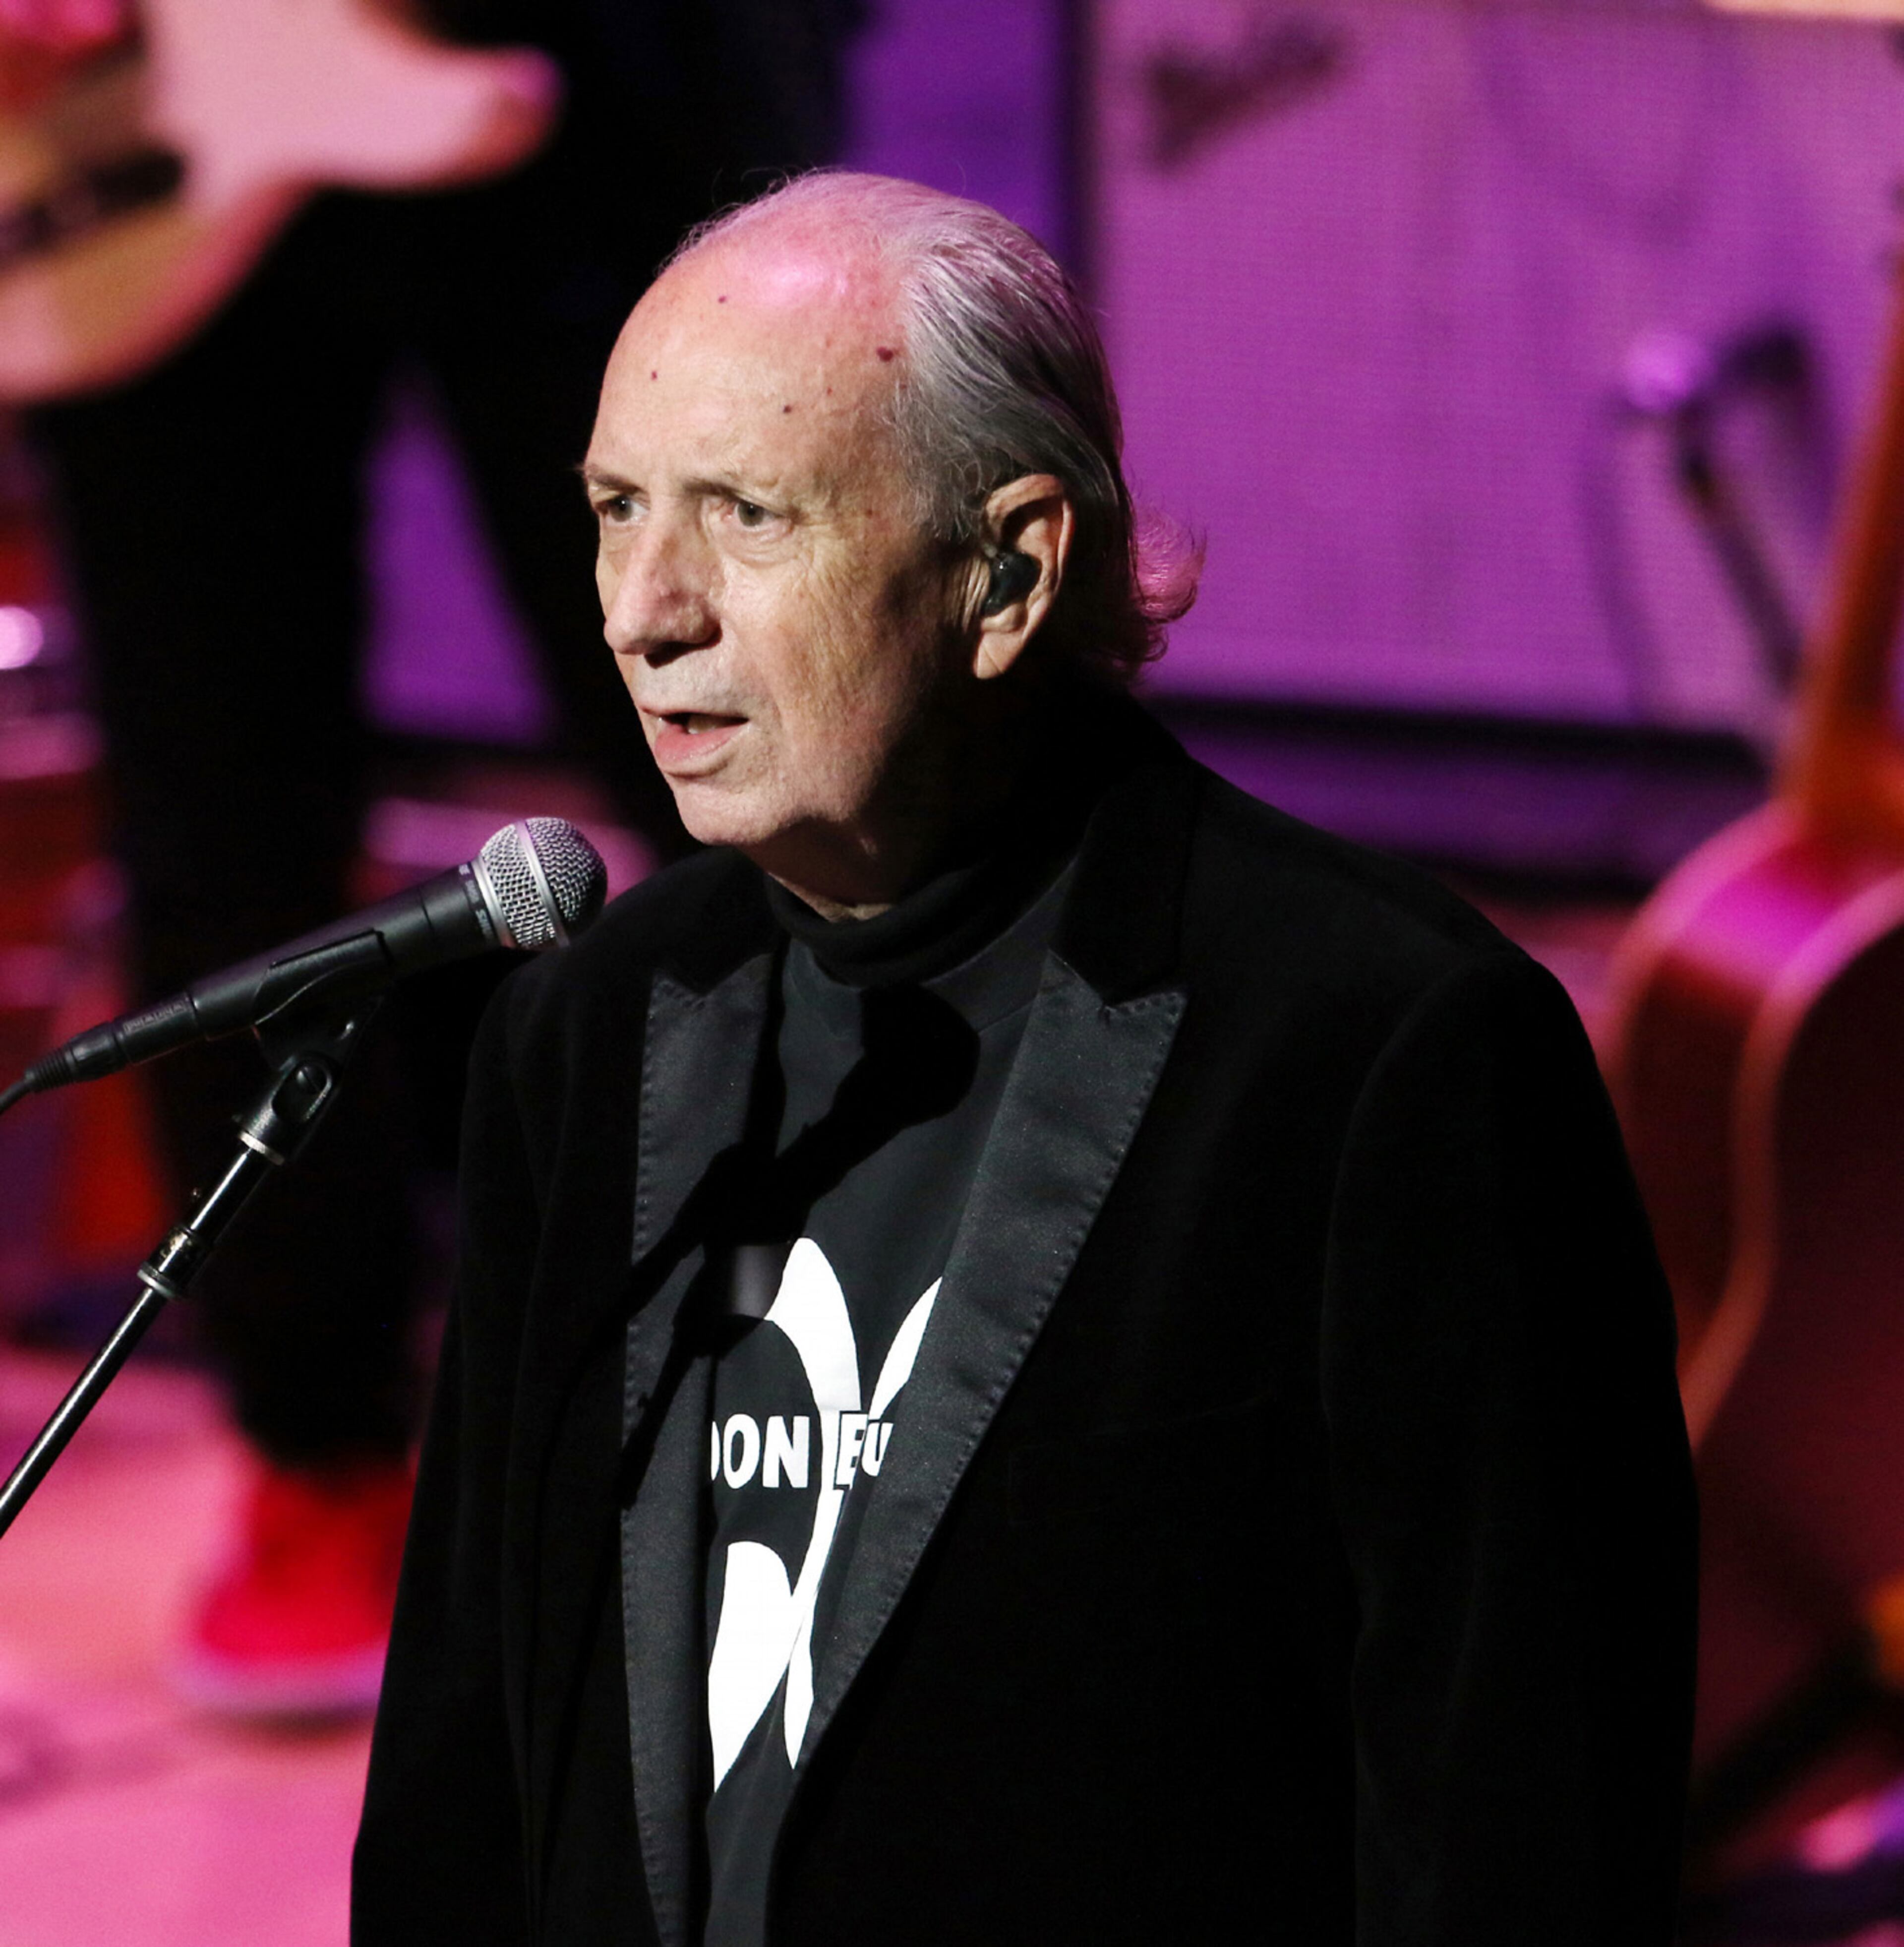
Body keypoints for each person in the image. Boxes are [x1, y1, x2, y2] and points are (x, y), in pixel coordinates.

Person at [353, 172, 1697, 1944]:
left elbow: (1516, 1829)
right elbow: (466, 1761)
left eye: (746, 516)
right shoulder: (589, 1029)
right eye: (616, 509)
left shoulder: (1381, 1057)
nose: (643, 608)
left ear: (1007, 571)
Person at [4, 0, 857, 1712]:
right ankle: (319, 1452)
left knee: (774, 724)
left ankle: (918, 1345)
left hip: (570, 59)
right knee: (216, 818)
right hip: (141, 120)